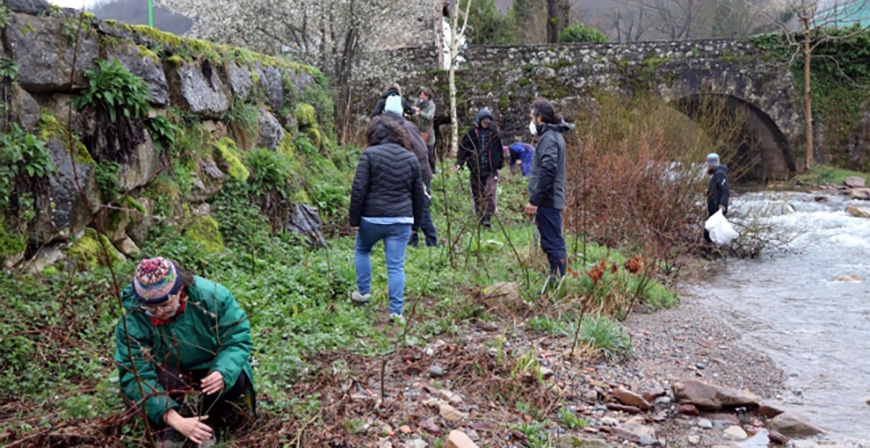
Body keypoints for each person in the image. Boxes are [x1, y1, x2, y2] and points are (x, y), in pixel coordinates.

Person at [115, 257, 254, 447]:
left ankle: (206, 423)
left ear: (180, 289)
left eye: (165, 305)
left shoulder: (211, 296)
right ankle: (167, 428)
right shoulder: (132, 319)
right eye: (150, 308)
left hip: (210, 366)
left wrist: (222, 371)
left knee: (236, 377)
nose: (158, 312)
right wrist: (174, 419)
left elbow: (236, 338)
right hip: (169, 373)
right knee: (166, 379)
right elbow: (134, 375)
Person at [349, 115, 425, 325]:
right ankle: (396, 312)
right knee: (395, 266)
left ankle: (363, 293)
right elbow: (418, 195)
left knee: (363, 250)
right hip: (402, 220)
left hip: (372, 218)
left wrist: (354, 219)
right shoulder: (410, 158)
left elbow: (358, 190)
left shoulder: (369, 155)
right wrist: (415, 225)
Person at [524, 100, 569, 286]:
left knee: (553, 243)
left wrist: (534, 200)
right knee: (550, 242)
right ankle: (554, 282)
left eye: (532, 117)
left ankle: (559, 285)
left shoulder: (549, 138)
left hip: (548, 201)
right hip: (548, 199)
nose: (531, 121)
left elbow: (548, 170)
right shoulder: (551, 136)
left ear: (539, 118)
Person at [383, 100, 438, 247]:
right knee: (411, 208)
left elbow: (418, 152)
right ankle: (413, 241)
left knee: (420, 208)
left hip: (418, 173)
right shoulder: (408, 126)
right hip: (418, 171)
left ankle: (432, 241)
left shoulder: (402, 130)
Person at [456, 107, 504, 228]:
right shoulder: (471, 133)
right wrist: (459, 163)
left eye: (488, 122)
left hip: (491, 170)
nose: (486, 124)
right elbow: (463, 150)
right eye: (484, 122)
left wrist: (499, 164)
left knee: (490, 193)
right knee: (477, 194)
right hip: (476, 170)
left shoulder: (494, 133)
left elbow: (499, 150)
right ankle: (480, 217)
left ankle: (487, 217)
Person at [705, 153, 730, 243]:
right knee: (712, 233)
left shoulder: (720, 174)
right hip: (715, 209)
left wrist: (722, 205)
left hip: (717, 209)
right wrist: (709, 192)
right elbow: (718, 189)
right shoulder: (717, 175)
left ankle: (708, 254)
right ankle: (711, 253)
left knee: (709, 233)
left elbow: (725, 191)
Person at [415, 87, 437, 174]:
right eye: (421, 94)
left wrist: (419, 113)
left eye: (424, 95)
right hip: (418, 131)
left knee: (430, 152)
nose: (422, 96)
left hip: (428, 132)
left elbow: (429, 116)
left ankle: (433, 170)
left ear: (428, 96)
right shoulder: (417, 103)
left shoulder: (431, 105)